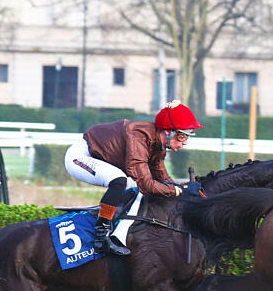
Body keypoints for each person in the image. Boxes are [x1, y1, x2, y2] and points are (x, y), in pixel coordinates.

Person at [64, 100, 204, 256]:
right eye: (182, 136)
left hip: (98, 157)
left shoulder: (158, 145)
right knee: (120, 180)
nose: (184, 143)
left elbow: (162, 177)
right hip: (80, 157)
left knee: (132, 186)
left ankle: (120, 233)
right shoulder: (138, 137)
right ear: (168, 131)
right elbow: (147, 185)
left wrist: (182, 187)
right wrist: (178, 191)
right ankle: (101, 237)